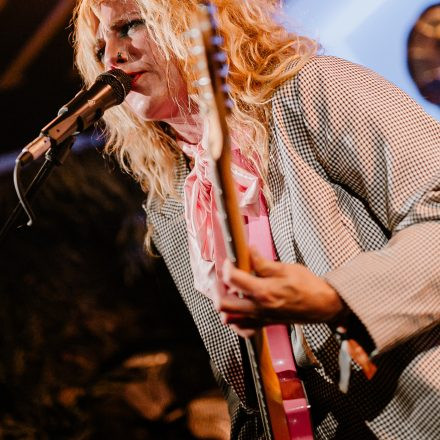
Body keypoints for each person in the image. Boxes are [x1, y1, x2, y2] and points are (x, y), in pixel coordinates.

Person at [72, 0, 440, 438]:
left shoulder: (315, 88)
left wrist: (337, 297)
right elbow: (242, 380)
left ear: (194, 22)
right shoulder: (171, 199)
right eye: (99, 50)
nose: (113, 57)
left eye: (130, 25)